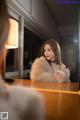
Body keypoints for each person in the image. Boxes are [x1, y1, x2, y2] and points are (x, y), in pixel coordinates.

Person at [0, 0, 44, 120]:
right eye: (45, 50)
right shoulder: (28, 103)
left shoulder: (62, 68)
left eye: (50, 50)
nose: (46, 53)